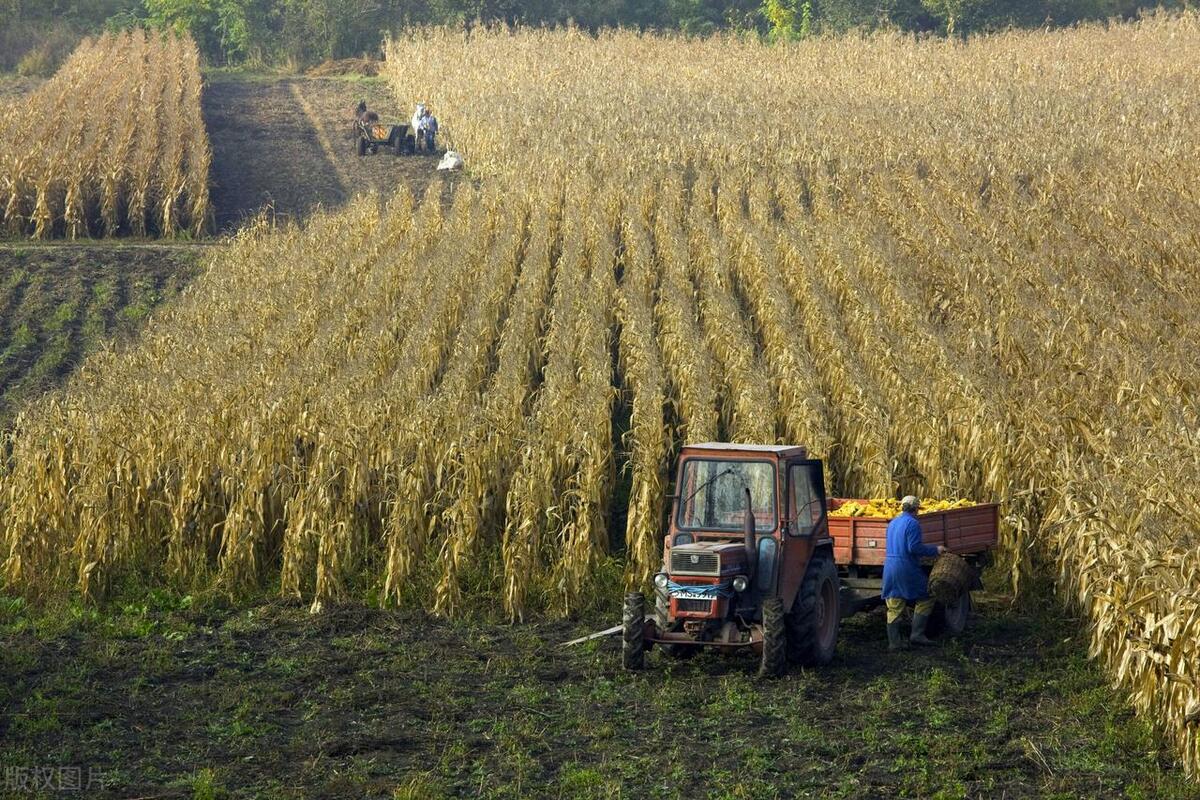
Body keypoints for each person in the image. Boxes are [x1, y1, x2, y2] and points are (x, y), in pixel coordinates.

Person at [881, 495, 946, 650]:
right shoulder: (913, 523)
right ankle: (917, 634)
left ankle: (894, 643)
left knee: (894, 604)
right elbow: (914, 547)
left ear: (902, 507)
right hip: (906, 567)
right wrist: (935, 550)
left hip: (889, 567)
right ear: (916, 509)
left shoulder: (893, 523)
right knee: (927, 596)